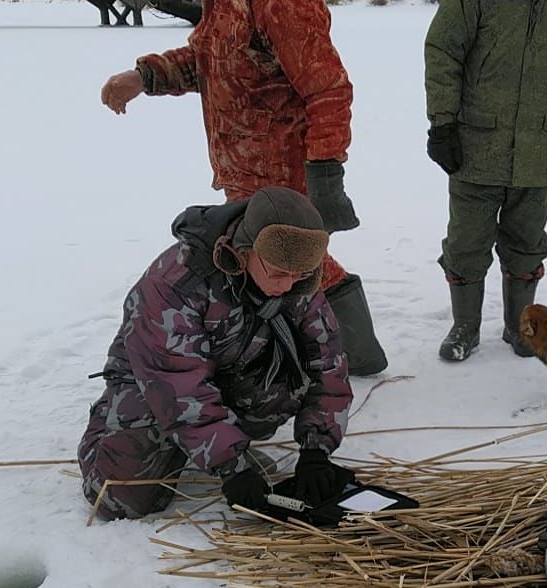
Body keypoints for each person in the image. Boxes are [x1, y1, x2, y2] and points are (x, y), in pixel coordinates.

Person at [99, 0, 388, 376]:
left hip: (281, 172)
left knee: (292, 262)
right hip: (241, 171)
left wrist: (326, 172)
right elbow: (212, 60)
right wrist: (145, 76)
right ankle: (302, 349)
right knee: (274, 264)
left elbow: (328, 89)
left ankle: (353, 355)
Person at [79, 187, 355, 521]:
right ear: (245, 251)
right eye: (279, 273)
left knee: (280, 391)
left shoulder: (297, 280)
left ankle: (211, 443)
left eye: (299, 275)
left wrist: (317, 451)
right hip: (154, 382)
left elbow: (328, 364)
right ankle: (109, 423)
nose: (288, 286)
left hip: (231, 369)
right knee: (119, 501)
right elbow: (179, 386)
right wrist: (232, 468)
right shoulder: (176, 283)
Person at [424, 0, 547, 362]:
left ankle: (520, 327)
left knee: (527, 241)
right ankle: (465, 326)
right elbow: (443, 52)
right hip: (475, 146)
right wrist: (442, 122)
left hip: (538, 149)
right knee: (466, 243)